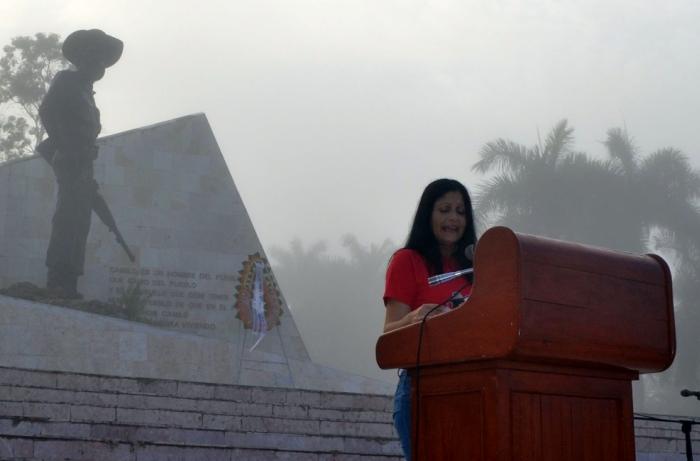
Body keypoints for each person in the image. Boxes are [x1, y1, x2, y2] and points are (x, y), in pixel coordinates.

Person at [382, 178, 477, 460]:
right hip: (420, 391)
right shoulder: (407, 261)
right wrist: (415, 317)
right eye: (444, 209)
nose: (453, 218)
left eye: (461, 212)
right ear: (429, 215)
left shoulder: (476, 267)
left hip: (471, 391)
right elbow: (389, 335)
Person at [39, 29, 123, 298]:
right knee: (67, 218)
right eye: (96, 59)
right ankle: (58, 278)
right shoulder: (67, 80)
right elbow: (47, 111)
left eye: (103, 62)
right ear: (84, 59)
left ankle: (71, 279)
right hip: (70, 159)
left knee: (80, 221)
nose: (100, 66)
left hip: (85, 163)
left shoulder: (88, 93)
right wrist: (63, 145)